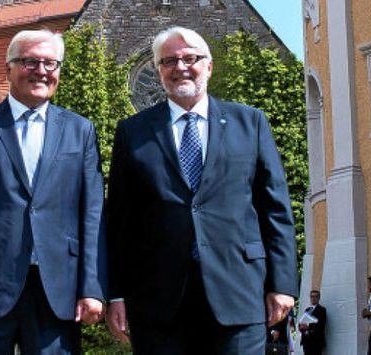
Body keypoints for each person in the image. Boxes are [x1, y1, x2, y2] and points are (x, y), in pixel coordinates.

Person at [105, 26, 298, 354]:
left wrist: (281, 284)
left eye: (190, 58)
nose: (180, 67)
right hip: (158, 300)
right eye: (168, 61)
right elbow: (120, 220)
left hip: (239, 292)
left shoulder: (250, 123)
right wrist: (117, 293)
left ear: (208, 65)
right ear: (158, 71)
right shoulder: (132, 132)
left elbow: (275, 208)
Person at [0, 29, 105, 353]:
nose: (41, 71)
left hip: (58, 291)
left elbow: (92, 213)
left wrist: (92, 286)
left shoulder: (80, 130)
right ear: (8, 68)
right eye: (30, 62)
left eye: (51, 64)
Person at [298, 289, 327, 355]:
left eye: (315, 296)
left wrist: (308, 327)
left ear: (319, 298)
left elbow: (321, 325)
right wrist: (300, 327)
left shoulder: (322, 310)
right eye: (312, 296)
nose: (313, 298)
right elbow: (302, 321)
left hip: (316, 341)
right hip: (306, 341)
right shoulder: (307, 309)